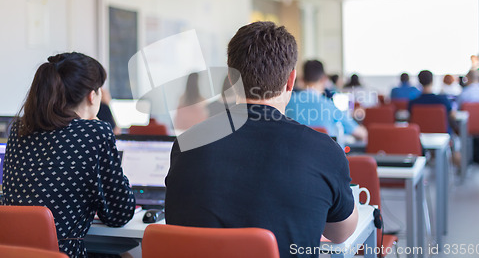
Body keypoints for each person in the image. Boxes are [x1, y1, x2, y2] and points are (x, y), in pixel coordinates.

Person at [165, 22, 358, 258]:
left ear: (231, 79)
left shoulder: (186, 143)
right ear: (291, 80)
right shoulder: (323, 150)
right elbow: (341, 233)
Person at [2, 52, 136, 258]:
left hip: (15, 252)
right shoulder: (95, 132)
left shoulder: (19, 129)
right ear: (93, 95)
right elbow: (119, 214)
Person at [286, 60, 367, 142]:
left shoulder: (286, 102)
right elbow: (360, 134)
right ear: (323, 79)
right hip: (324, 153)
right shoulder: (329, 105)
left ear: (302, 79)